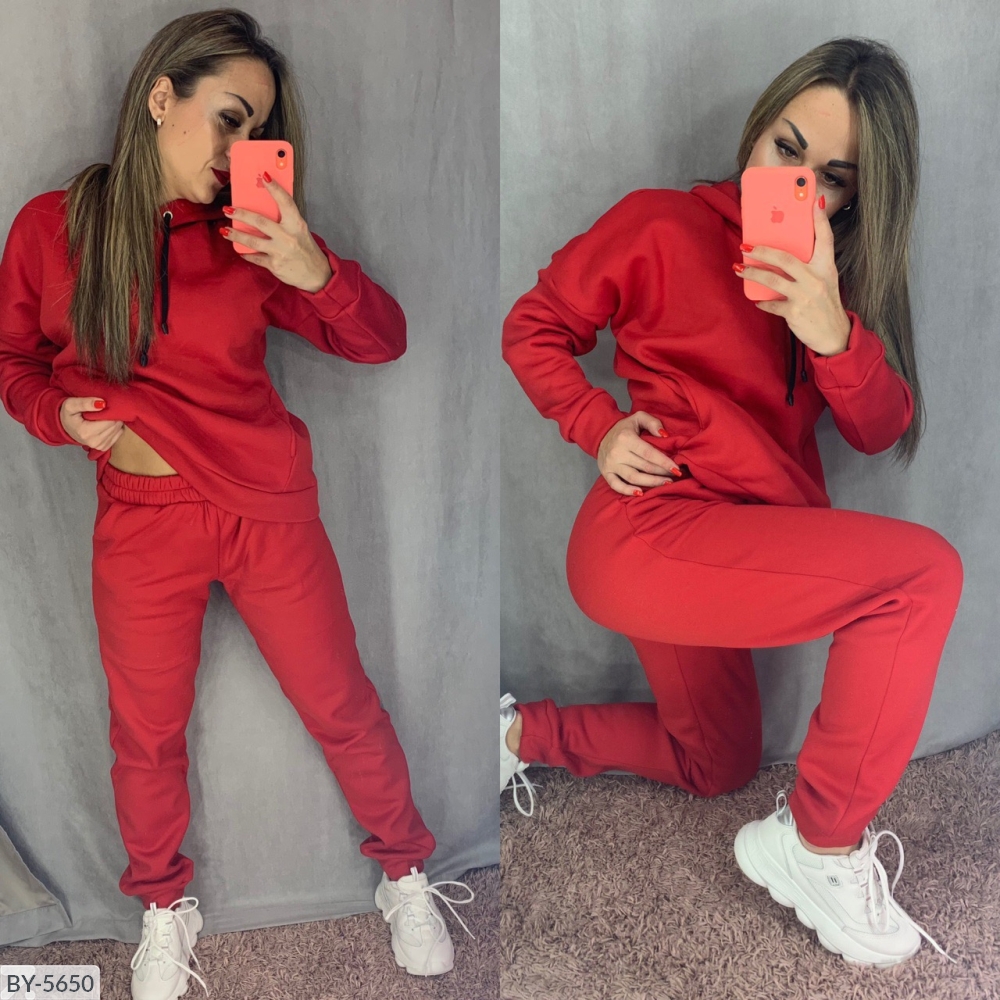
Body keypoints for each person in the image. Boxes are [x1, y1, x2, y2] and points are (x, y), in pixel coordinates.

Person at [0, 11, 472, 999]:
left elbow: (382, 339)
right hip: (141, 521)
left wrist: (313, 270)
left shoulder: (252, 233)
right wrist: (56, 414)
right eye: (229, 117)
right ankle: (162, 907)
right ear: (160, 95)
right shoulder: (52, 227)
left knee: (340, 704)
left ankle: (405, 874)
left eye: (258, 130)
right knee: (145, 734)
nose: (238, 148)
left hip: (268, 511)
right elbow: (12, 361)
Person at [500, 36, 963, 969]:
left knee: (717, 763)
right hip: (649, 530)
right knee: (919, 579)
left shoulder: (830, 281)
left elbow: (879, 429)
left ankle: (515, 735)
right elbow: (533, 326)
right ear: (758, 126)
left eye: (831, 178)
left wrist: (829, 330)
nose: (798, 183)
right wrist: (599, 427)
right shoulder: (659, 223)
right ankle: (818, 844)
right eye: (787, 148)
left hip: (732, 548)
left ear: (855, 199)